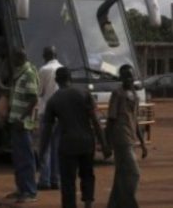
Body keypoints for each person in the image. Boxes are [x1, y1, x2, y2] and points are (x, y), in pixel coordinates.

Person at [39, 67, 110, 208]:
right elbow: (95, 121)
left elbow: (47, 130)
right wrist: (104, 145)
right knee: (87, 175)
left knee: (68, 182)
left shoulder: (53, 100)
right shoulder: (84, 93)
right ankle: (88, 204)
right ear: (70, 78)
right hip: (87, 143)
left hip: (67, 145)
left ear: (57, 80)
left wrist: (42, 152)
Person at [106, 64, 147, 208]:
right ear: (121, 78)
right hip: (121, 138)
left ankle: (113, 204)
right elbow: (111, 119)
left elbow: (135, 121)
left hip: (130, 137)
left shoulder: (134, 95)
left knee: (121, 175)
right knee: (134, 173)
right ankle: (129, 203)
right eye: (126, 76)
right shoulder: (118, 94)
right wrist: (107, 143)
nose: (129, 79)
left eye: (131, 76)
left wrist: (143, 144)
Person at [6, 49, 40, 203]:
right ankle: (21, 189)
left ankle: (30, 191)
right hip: (16, 122)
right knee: (19, 158)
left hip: (23, 124)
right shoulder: (20, 73)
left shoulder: (29, 74)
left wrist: (22, 118)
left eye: (13, 57)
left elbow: (33, 99)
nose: (11, 60)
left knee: (26, 158)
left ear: (20, 58)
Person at [37, 45, 62, 190]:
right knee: (56, 146)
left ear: (45, 56)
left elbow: (40, 91)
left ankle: (44, 179)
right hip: (59, 113)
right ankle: (55, 179)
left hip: (46, 111)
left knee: (45, 146)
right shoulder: (62, 68)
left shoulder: (44, 70)